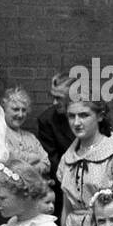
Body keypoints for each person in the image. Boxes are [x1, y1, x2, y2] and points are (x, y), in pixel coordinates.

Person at [37, 72, 77, 217]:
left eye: (58, 98)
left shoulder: (93, 114)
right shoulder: (47, 120)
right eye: (53, 96)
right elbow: (53, 162)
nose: (54, 103)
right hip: (64, 188)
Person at [0, 88, 51, 180]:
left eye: (24, 110)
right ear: (4, 109)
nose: (20, 115)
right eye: (15, 109)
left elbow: (46, 163)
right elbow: (9, 162)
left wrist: (24, 168)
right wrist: (36, 158)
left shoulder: (30, 137)